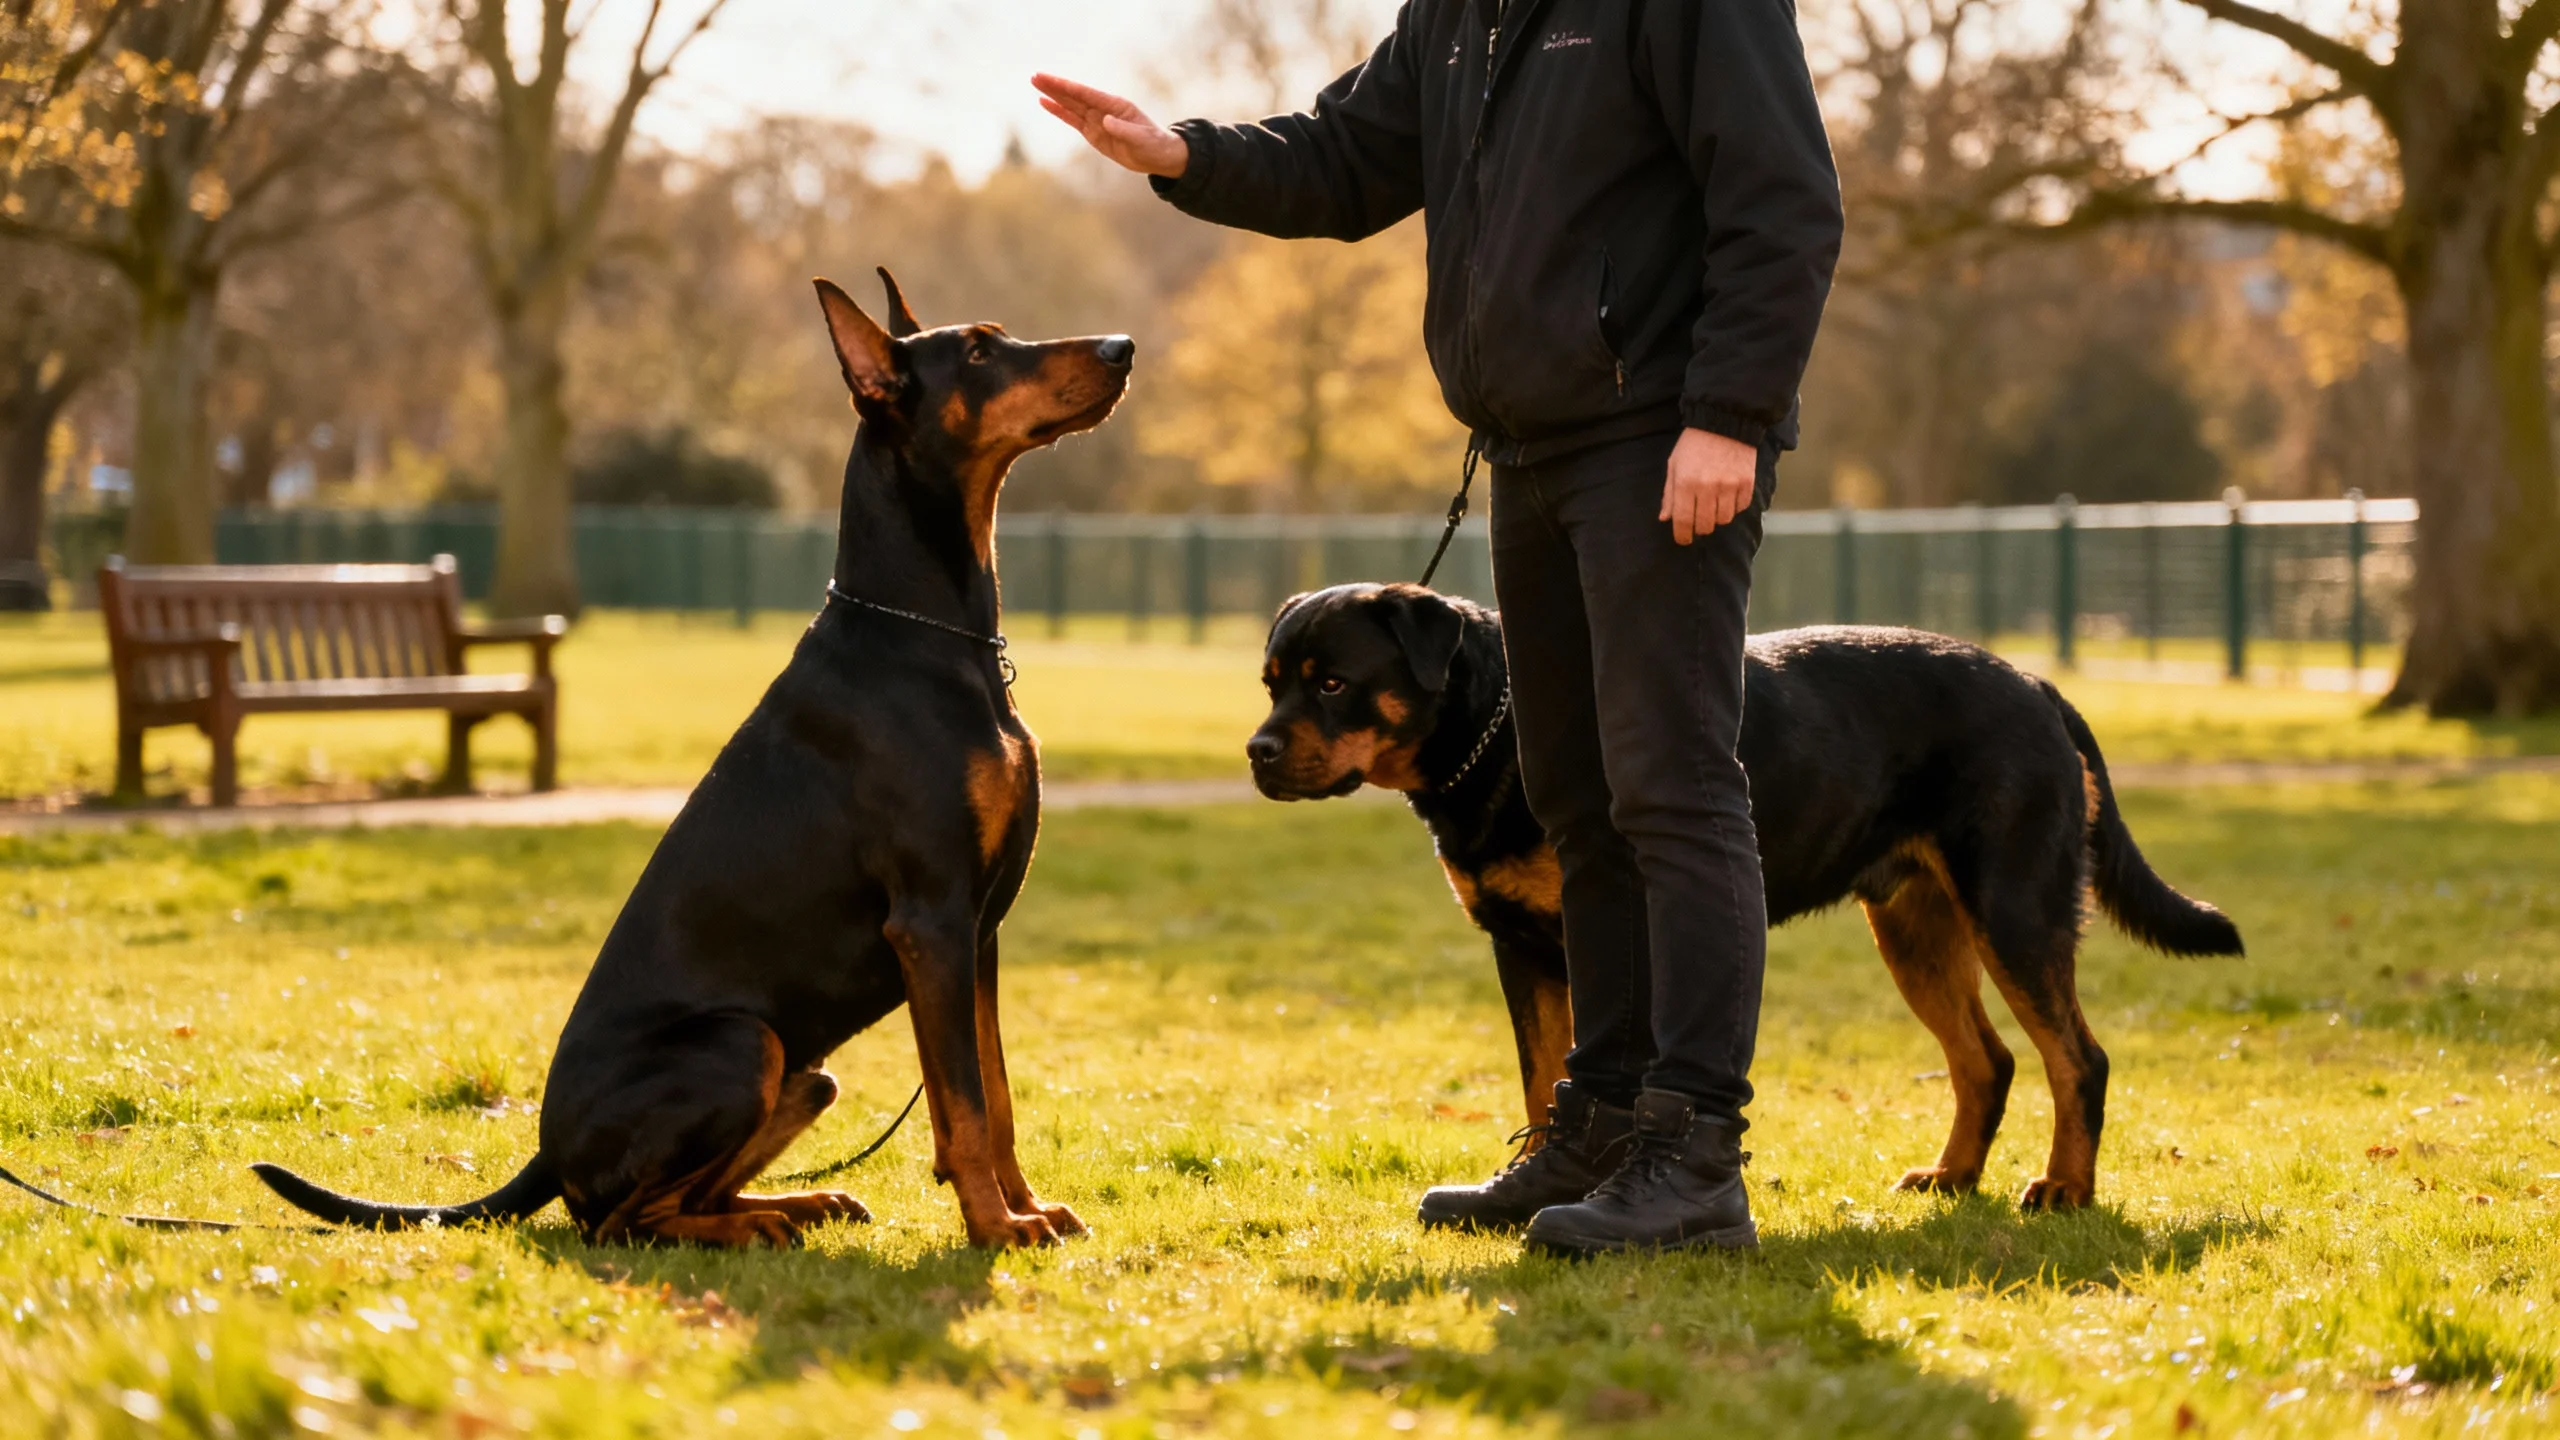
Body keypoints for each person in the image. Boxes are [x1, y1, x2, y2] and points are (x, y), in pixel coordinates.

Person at [1035, 0, 1840, 1254]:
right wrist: (1182, 155)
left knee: (1671, 789)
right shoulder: (1455, 12)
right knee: (1575, 795)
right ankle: (1599, 1123)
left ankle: (1692, 1159)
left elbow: (1782, 195)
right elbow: (1346, 157)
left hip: (1659, 438)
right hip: (1526, 451)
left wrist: (1730, 412)